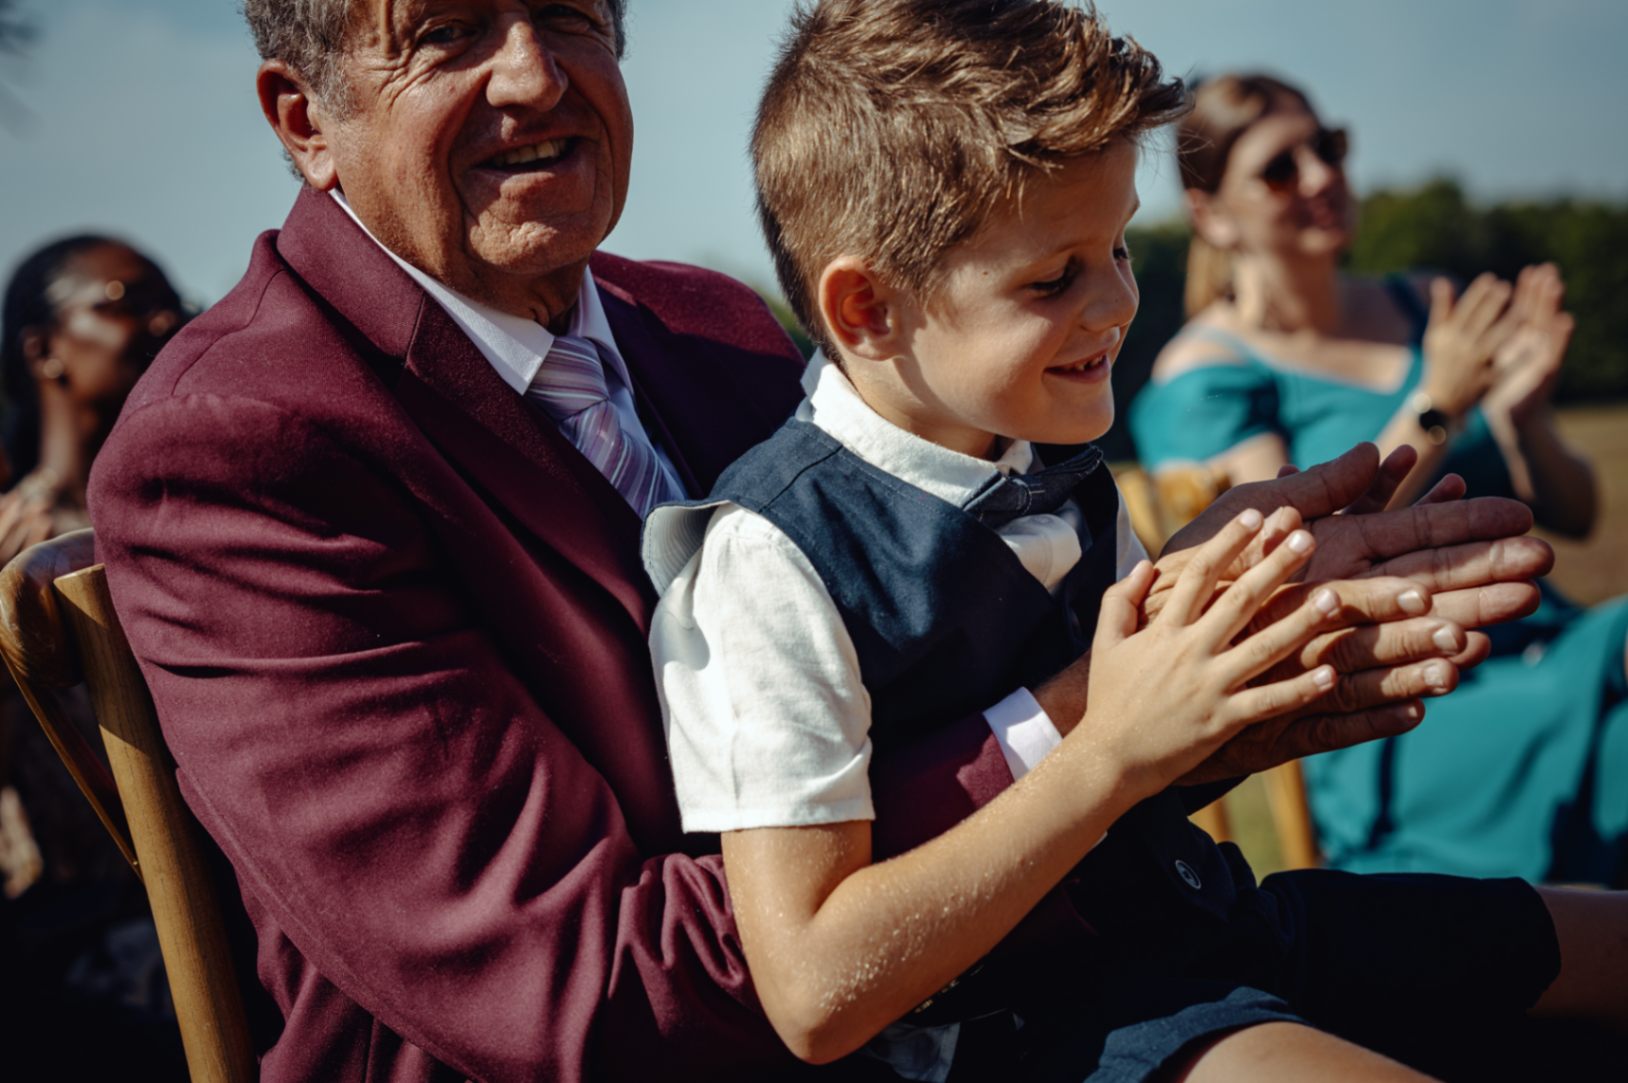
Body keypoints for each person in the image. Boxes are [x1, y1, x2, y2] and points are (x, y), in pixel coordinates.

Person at [82, 3, 1581, 1080]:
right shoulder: (244, 447)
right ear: (303, 122)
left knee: (1575, 961)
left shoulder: (718, 322)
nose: (535, 71)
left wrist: (1227, 650)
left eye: (568, 11)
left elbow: (953, 681)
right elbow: (582, 995)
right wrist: (1100, 720)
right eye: (449, 28)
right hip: (846, 1035)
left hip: (1065, 950)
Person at [640, 4, 1628, 1080]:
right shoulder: (766, 557)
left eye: (1116, 245)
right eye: (1053, 276)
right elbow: (814, 991)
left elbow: (1139, 793)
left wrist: (1251, 664)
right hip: (1040, 1031)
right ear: (869, 306)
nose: (1117, 299)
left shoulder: (1049, 459)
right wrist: (1113, 750)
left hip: (1213, 924)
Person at [1130, 72, 1628, 885]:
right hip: (1401, 702)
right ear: (1211, 213)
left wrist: (1528, 417)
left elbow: (1577, 513)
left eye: (1327, 148)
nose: (1323, 177)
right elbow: (1291, 560)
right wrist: (1439, 403)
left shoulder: (1424, 302)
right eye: (1280, 168)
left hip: (1547, 639)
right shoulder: (1203, 375)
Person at [0, 234, 187, 1074]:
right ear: (43, 350)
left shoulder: (200, 514)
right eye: (120, 297)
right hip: (109, 957)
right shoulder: (15, 551)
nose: (161, 318)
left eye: (167, 300)